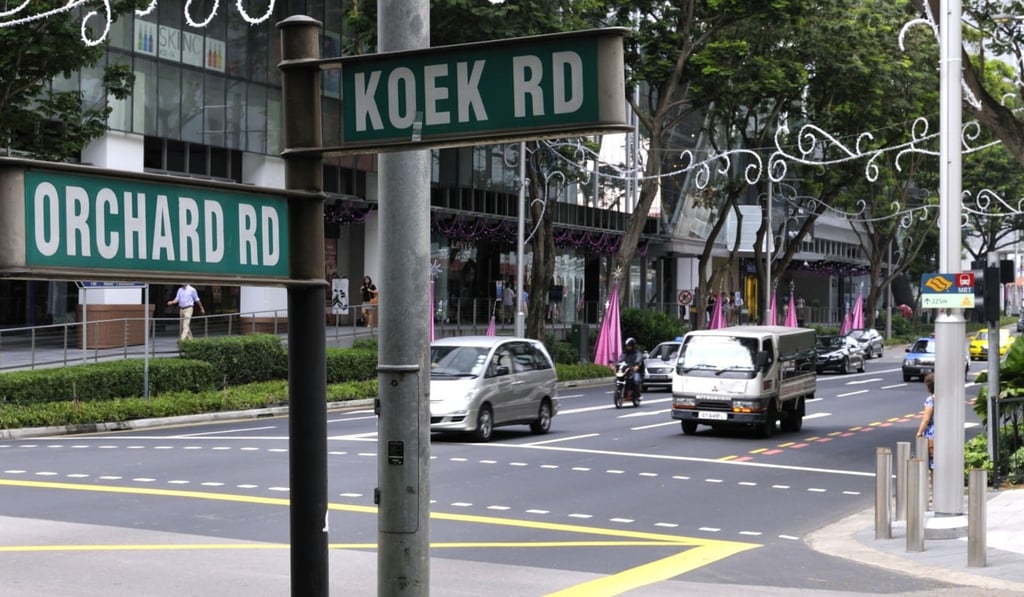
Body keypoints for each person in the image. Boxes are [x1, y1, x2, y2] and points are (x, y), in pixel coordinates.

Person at [916, 372, 936, 469]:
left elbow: (926, 419)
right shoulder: (945, 398)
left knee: (933, 464)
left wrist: (919, 432)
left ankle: (934, 483)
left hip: (932, 433)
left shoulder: (931, 400)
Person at [618, 337, 645, 401]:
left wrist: (637, 365)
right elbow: (620, 360)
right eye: (627, 346)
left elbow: (639, 359)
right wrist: (616, 365)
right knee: (617, 379)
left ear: (632, 346)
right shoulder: (624, 353)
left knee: (636, 380)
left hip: (635, 371)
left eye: (629, 346)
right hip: (626, 370)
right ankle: (621, 392)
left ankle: (638, 395)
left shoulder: (637, 353)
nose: (628, 347)